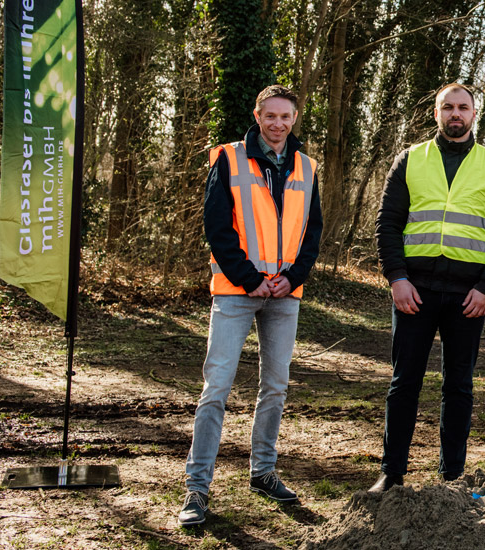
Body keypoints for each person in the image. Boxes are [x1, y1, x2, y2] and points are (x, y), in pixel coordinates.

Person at [179, 85, 323, 526]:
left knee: (275, 388)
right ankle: (197, 489)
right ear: (257, 115)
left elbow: (312, 232)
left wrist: (291, 278)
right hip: (236, 291)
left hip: (284, 294)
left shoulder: (308, 166)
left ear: (294, 119)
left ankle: (263, 472)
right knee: (216, 389)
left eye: (286, 116)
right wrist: (250, 279)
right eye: (270, 115)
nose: (278, 124)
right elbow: (216, 226)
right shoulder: (227, 157)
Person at [370, 83, 485, 493]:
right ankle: (391, 471)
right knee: (404, 384)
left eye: (463, 108)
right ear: (436, 113)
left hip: (468, 297)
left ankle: (452, 474)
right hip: (413, 291)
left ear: (474, 114)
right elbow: (387, 223)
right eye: (448, 107)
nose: (456, 114)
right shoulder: (411, 159)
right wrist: (396, 278)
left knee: (459, 386)